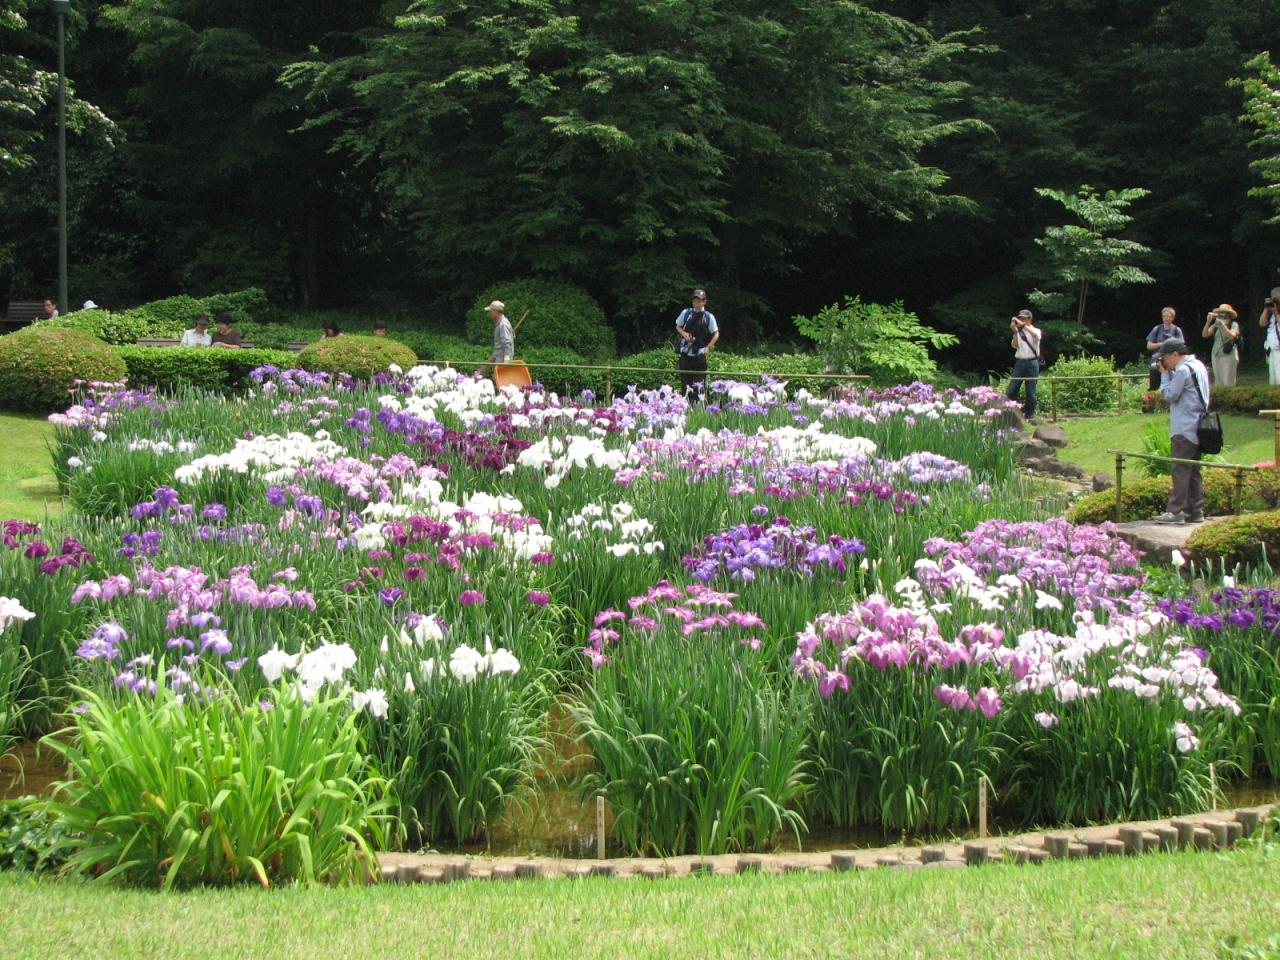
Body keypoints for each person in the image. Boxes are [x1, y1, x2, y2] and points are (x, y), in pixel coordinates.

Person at [1152, 339, 1210, 525]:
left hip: (1184, 428)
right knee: (1193, 470)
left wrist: (1164, 376)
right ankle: (1196, 511)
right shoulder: (1198, 365)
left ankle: (1176, 511)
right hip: (1199, 426)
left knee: (1180, 470)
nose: (1163, 362)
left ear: (1175, 354)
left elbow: (1170, 395)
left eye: (1164, 358)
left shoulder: (1183, 370)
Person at [674, 288, 719, 398]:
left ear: (704, 302)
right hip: (685, 354)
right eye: (695, 301)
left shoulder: (708, 317)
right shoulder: (686, 313)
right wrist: (684, 334)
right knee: (685, 386)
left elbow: (716, 333)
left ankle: (699, 407)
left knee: (699, 387)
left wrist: (708, 347)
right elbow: (678, 326)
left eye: (699, 301)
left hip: (700, 355)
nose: (696, 303)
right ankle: (686, 406)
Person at [1005, 308, 1041, 422]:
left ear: (1030, 319)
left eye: (1023, 319)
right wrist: (1015, 332)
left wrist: (1023, 326)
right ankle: (1013, 412)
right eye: (1020, 318)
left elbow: (1036, 336)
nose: (1021, 320)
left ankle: (1030, 415)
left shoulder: (1036, 330)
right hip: (1020, 362)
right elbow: (1015, 345)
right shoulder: (1019, 332)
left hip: (1032, 363)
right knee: (1011, 390)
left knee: (1030, 392)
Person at [1145, 307, 1184, 391]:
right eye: (1164, 316)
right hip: (1156, 362)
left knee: (1170, 387)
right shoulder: (1157, 329)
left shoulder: (1177, 330)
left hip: (1171, 363)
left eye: (1168, 316)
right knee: (1154, 388)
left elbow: (1181, 347)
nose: (1165, 318)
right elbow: (1149, 346)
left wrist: (1171, 344)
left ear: (1172, 318)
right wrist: (1162, 344)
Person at [1202, 303, 1240, 387]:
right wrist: (1208, 321)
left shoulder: (1233, 324)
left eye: (1224, 313)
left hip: (1228, 354)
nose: (1221, 315)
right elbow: (1205, 334)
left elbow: (1232, 336)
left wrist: (1222, 325)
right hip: (1216, 354)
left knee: (1228, 381)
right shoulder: (1215, 325)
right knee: (1218, 381)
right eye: (1220, 313)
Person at [1260, 288, 1280, 386]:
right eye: (1273, 298)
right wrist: (1266, 308)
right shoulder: (1273, 313)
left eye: (1277, 298)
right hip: (1272, 350)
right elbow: (1262, 323)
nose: (1275, 301)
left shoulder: (1276, 313)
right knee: (1273, 380)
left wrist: (1276, 312)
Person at [488, 300, 515, 364]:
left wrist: (506, 362)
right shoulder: (500, 323)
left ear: (495, 311)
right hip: (499, 360)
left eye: (490, 311)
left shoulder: (503, 324)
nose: (489, 313)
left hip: (503, 362)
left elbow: (507, 345)